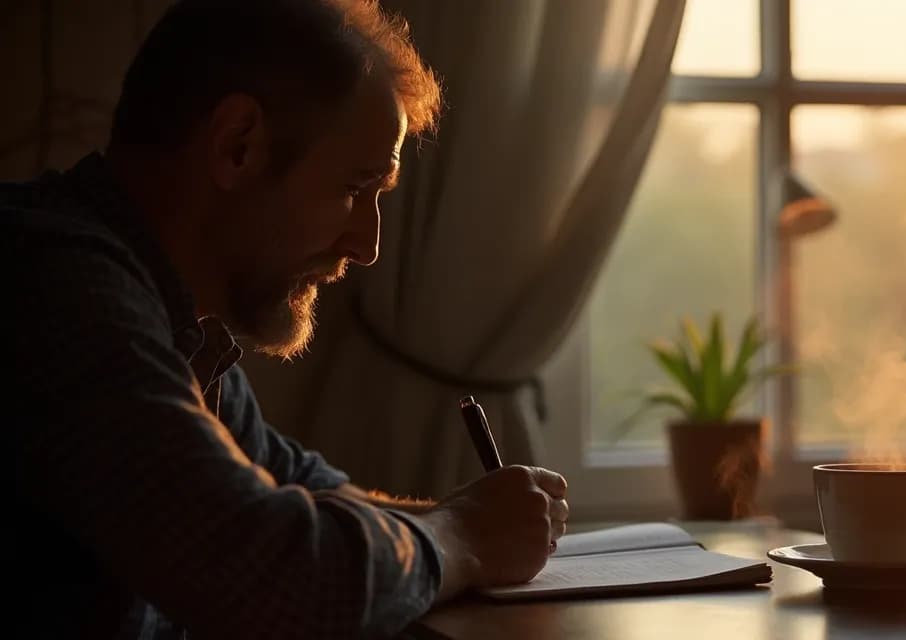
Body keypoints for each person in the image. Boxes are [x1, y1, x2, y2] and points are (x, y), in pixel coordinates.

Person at [2, 1, 569, 637]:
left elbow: (304, 491)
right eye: (356, 189)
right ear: (237, 147)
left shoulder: (180, 327)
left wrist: (473, 522)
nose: (368, 245)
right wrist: (462, 536)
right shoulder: (54, 290)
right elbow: (274, 575)